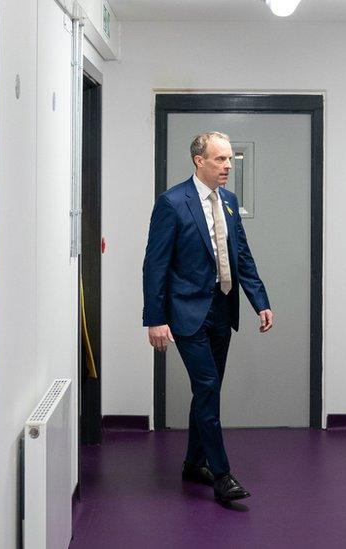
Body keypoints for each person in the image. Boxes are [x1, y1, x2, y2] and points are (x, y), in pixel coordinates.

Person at [142, 131, 274, 503]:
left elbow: (241, 256)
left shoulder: (229, 202)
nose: (228, 166)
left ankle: (192, 462)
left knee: (207, 389)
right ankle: (222, 474)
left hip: (222, 308)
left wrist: (259, 301)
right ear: (199, 161)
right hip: (186, 313)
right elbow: (155, 265)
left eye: (230, 159)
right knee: (207, 387)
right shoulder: (172, 203)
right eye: (220, 160)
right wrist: (155, 318)